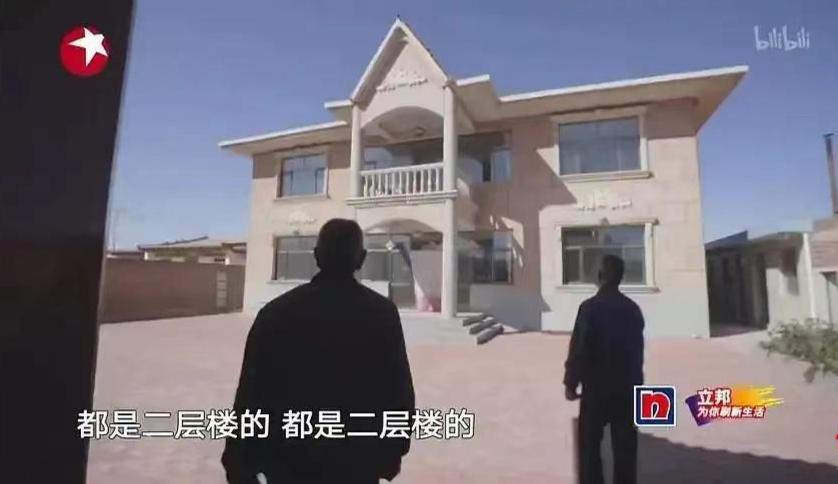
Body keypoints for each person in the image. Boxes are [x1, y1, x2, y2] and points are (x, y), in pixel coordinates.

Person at [222, 218, 415, 484]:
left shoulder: (277, 312)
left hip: (288, 462)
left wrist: (239, 459)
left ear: (316, 256)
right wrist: (392, 452)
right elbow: (397, 391)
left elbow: (251, 392)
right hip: (356, 462)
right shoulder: (381, 314)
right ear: (361, 259)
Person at [563, 254, 645, 484]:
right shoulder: (633, 310)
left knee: (589, 447)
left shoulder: (589, 308)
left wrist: (571, 382)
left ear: (600, 276)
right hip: (627, 389)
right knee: (625, 448)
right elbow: (638, 354)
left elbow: (579, 349)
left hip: (596, 390)